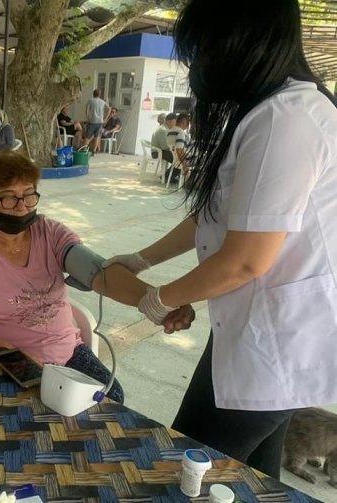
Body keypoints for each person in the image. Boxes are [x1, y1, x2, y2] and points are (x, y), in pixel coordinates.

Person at [105, 0, 337, 479]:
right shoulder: (271, 110)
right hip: (256, 328)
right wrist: (141, 259)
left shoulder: (285, 119)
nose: (198, 65)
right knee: (254, 471)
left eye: (204, 49)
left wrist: (158, 299)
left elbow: (245, 261)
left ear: (241, 43)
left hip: (276, 339)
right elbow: (215, 215)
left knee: (186, 465)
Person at [0, 151, 194, 404]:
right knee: (32, 420)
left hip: (65, 353)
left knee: (111, 400)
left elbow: (98, 273)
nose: (22, 206)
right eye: (9, 198)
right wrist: (15, 360)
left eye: (29, 195)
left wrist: (156, 301)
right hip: (0, 358)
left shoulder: (50, 232)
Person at [82, 89, 109, 154]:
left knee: (87, 136)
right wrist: (105, 118)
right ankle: (94, 150)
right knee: (97, 136)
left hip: (92, 121)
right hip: (100, 122)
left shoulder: (90, 100)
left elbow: (87, 110)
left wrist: (88, 117)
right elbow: (109, 109)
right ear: (99, 94)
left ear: (93, 94)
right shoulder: (102, 101)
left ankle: (84, 149)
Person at [165, 113, 190, 183]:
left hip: (175, 159)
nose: (188, 126)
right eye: (188, 123)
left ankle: (169, 175)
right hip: (182, 159)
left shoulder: (170, 132)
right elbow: (179, 150)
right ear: (184, 122)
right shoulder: (180, 132)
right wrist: (185, 165)